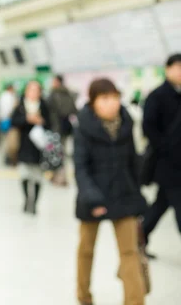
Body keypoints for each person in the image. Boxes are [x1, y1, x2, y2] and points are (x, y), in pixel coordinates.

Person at [74, 78, 147, 305]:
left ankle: (134, 301)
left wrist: (138, 197)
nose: (112, 103)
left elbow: (133, 162)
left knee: (129, 252)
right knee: (86, 250)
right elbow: (80, 167)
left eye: (115, 97)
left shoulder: (127, 124)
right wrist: (93, 198)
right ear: (94, 102)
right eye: (105, 98)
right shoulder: (84, 127)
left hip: (123, 195)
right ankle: (84, 296)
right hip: (92, 197)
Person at [141, 53, 181, 257]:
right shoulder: (157, 95)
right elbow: (147, 126)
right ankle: (139, 240)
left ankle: (139, 239)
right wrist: (166, 147)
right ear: (168, 69)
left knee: (159, 206)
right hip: (167, 164)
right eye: (178, 67)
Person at [11, 81, 50, 215]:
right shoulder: (20, 106)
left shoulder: (44, 106)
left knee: (38, 176)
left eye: (36, 90)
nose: (33, 93)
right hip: (23, 144)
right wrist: (27, 119)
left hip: (39, 147)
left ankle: (35, 203)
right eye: (31, 89)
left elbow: (51, 123)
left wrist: (41, 121)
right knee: (24, 174)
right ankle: (27, 199)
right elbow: (13, 121)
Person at [48, 75, 78, 186]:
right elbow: (74, 110)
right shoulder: (69, 94)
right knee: (61, 152)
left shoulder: (53, 95)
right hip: (65, 127)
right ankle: (59, 176)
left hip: (55, 127)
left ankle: (59, 177)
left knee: (56, 153)